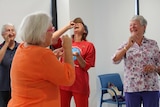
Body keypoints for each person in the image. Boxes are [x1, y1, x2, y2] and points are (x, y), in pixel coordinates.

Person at [7, 11, 75, 107]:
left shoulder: (22, 47)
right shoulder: (43, 55)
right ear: (41, 33)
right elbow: (68, 78)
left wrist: (52, 59)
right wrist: (68, 49)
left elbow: (35, 70)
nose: (52, 33)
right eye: (51, 30)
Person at [112, 15, 160, 107]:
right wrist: (127, 47)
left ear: (144, 27)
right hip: (131, 88)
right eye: (130, 25)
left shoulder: (153, 44)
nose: (132, 27)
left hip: (151, 87)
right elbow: (115, 60)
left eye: (135, 25)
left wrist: (154, 68)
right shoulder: (125, 44)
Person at [60, 17, 96, 107]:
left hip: (80, 84)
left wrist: (78, 56)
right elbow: (53, 40)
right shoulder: (66, 42)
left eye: (80, 23)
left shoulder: (89, 45)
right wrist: (67, 27)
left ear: (85, 31)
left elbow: (86, 66)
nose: (76, 24)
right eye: (75, 23)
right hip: (64, 83)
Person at [0, 23, 19, 107]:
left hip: (18, 87)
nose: (11, 33)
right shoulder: (1, 48)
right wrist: (7, 43)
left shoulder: (21, 47)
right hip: (3, 87)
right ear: (3, 35)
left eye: (13, 30)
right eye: (8, 30)